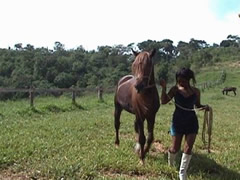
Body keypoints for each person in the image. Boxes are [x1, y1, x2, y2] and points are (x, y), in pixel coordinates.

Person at [159, 67, 209, 180]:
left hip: (192, 122)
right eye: (179, 80)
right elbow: (163, 101)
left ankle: (182, 173)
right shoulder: (175, 90)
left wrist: (205, 107)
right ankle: (170, 164)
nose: (181, 83)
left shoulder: (196, 91)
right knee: (175, 148)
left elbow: (197, 105)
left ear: (189, 80)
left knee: (188, 148)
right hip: (178, 121)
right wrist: (163, 88)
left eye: (184, 81)